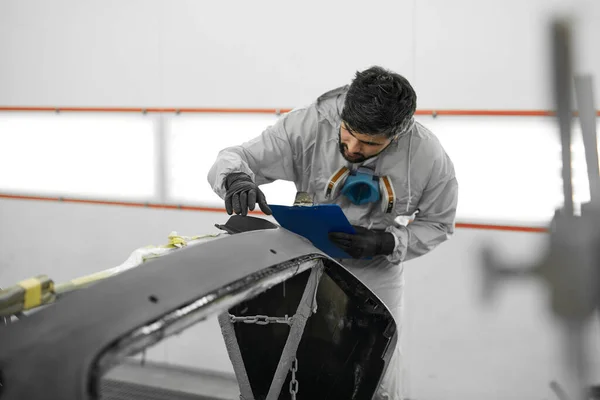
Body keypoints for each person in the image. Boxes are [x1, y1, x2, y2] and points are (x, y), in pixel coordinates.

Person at [207, 65, 458, 399]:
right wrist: (236, 178)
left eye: (369, 143)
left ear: (396, 136)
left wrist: (388, 241)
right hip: (307, 257)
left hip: (375, 268)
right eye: (348, 132)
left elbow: (439, 222)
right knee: (296, 353)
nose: (353, 148)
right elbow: (238, 156)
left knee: (375, 366)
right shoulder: (307, 125)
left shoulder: (427, 155)